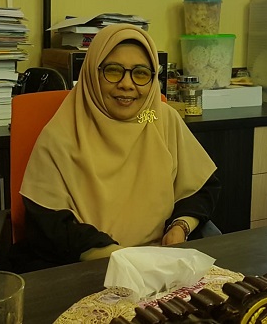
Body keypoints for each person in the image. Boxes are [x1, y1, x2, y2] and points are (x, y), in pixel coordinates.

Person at [16, 23, 220, 270]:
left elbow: (201, 187)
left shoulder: (159, 120)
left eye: (141, 74)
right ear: (92, 73)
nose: (127, 84)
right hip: (88, 266)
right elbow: (48, 224)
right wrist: (117, 256)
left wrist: (181, 225)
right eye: (113, 71)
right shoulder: (64, 132)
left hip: (159, 263)